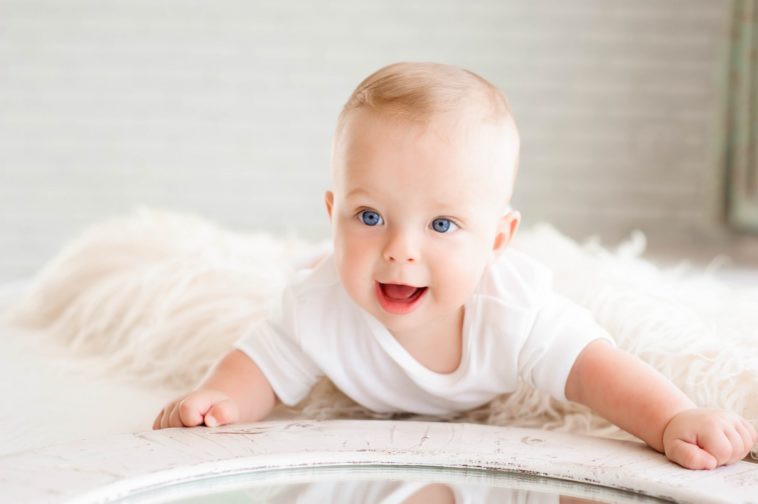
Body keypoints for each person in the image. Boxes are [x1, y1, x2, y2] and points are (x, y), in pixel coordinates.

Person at [153, 62, 757, 470]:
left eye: (441, 225)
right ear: (332, 211)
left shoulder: (512, 310)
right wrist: (216, 400)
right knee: (305, 276)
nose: (400, 250)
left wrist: (673, 416)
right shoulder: (320, 306)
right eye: (369, 217)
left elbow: (594, 371)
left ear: (498, 238)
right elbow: (261, 363)